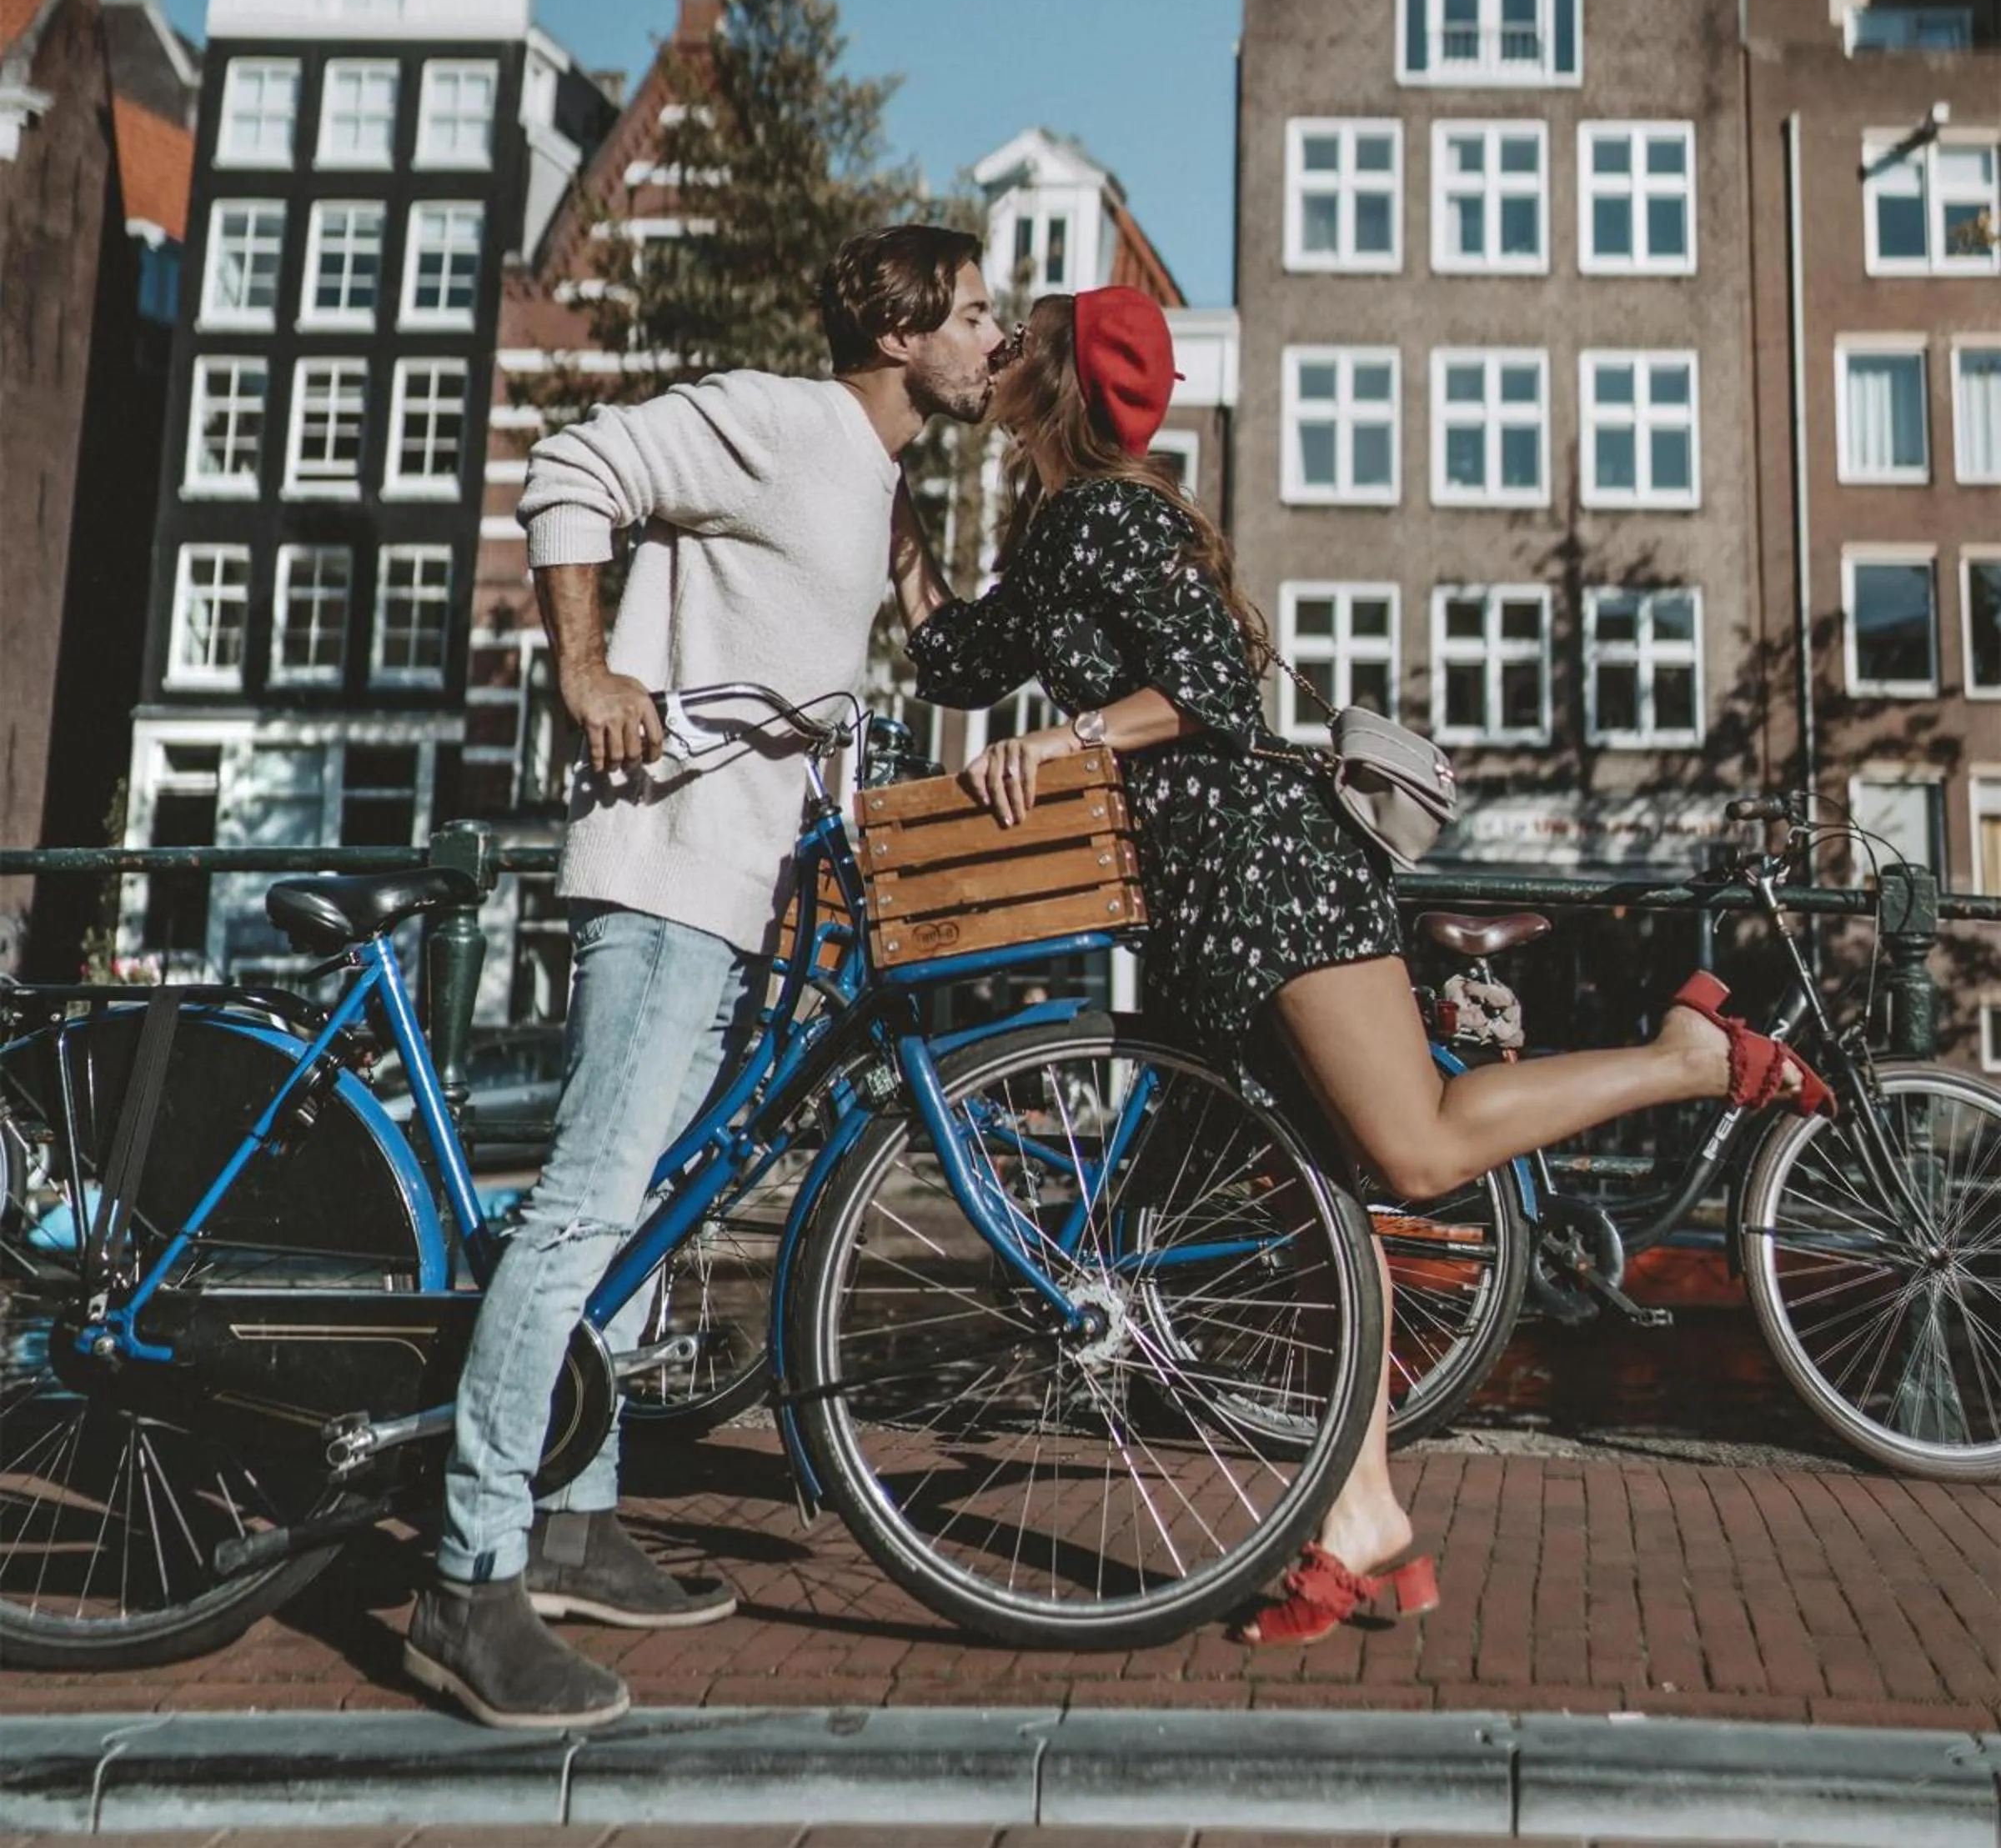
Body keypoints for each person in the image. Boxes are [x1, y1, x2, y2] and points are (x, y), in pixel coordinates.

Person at [890, 284, 1832, 1646]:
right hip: (1218, 903)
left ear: (1064, 387)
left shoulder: (1111, 515)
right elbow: (955, 660)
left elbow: (1212, 690)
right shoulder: (1057, 530)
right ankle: (1365, 1522)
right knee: (1342, 1198)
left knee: (1418, 1154)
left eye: (1022, 343)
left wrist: (1067, 742)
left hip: (1266, 876)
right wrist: (895, 504)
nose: (1002, 357)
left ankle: (1687, 1057)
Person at [404, 225, 1003, 1729]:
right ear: (899, 326)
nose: (996, 337)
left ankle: (577, 1521)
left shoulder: (879, 486)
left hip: (740, 885)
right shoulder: (785, 420)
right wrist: (584, 669)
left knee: (647, 1219)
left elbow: (951, 656)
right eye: (979, 313)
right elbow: (571, 467)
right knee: (587, 1205)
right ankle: (466, 1579)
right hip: (665, 861)